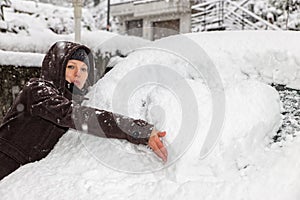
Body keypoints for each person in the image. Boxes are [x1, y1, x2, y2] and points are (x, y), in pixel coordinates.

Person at [0, 41, 168, 180]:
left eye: (83, 69)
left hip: (23, 179)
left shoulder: (76, 100)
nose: (78, 74)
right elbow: (74, 115)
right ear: (57, 67)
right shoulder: (37, 90)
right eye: (71, 67)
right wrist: (136, 129)